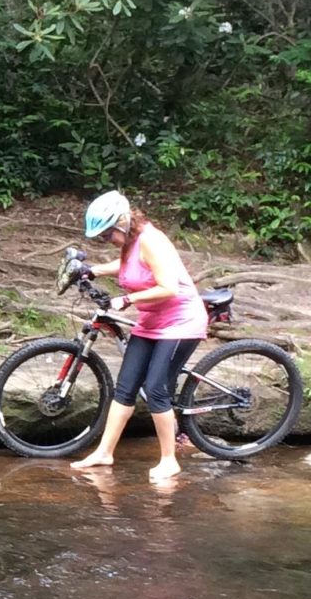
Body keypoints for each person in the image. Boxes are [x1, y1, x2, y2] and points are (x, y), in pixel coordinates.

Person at [69, 190, 207, 483]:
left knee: (156, 388)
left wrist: (127, 301)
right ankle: (104, 452)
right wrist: (91, 271)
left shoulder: (151, 241)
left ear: (121, 223)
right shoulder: (131, 242)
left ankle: (169, 460)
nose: (106, 241)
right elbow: (128, 266)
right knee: (126, 387)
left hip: (180, 322)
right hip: (152, 320)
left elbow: (168, 287)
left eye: (107, 236)